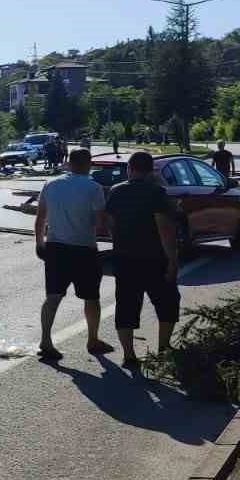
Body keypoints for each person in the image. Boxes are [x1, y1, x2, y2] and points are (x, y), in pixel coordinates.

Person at [34, 148, 114, 362]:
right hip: (83, 249)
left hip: (55, 248)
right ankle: (93, 340)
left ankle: (45, 341)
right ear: (88, 165)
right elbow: (100, 224)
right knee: (91, 297)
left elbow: (40, 217)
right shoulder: (94, 188)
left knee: (52, 297)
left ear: (69, 163)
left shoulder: (51, 185)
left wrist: (39, 243)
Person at [104, 152, 181, 371]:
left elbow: (109, 222)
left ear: (129, 168)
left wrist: (119, 239)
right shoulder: (157, 193)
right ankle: (163, 350)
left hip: (125, 259)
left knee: (126, 306)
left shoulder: (116, 191)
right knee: (167, 304)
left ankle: (129, 356)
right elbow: (164, 229)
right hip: (154, 259)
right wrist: (172, 260)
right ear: (151, 171)